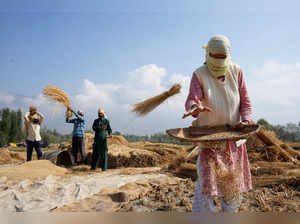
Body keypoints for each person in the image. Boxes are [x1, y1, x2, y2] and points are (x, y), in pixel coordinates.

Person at [184, 35, 252, 212]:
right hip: (210, 142)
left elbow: (245, 101)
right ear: (208, 53)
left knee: (231, 189)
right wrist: (195, 108)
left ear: (228, 55)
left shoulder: (236, 71)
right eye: (216, 57)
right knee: (207, 190)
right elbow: (192, 99)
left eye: (223, 58)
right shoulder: (199, 74)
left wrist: (245, 120)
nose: (219, 62)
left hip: (233, 140)